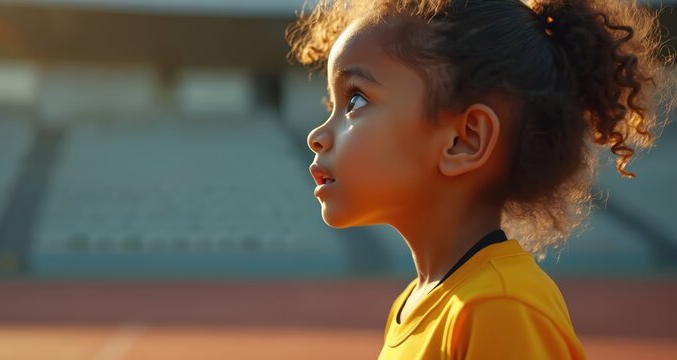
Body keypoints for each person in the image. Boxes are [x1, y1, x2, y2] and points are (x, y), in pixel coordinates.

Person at [287, 0, 674, 358]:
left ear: (464, 140)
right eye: (331, 105)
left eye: (356, 100)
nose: (317, 135)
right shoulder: (419, 303)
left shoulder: (496, 308)